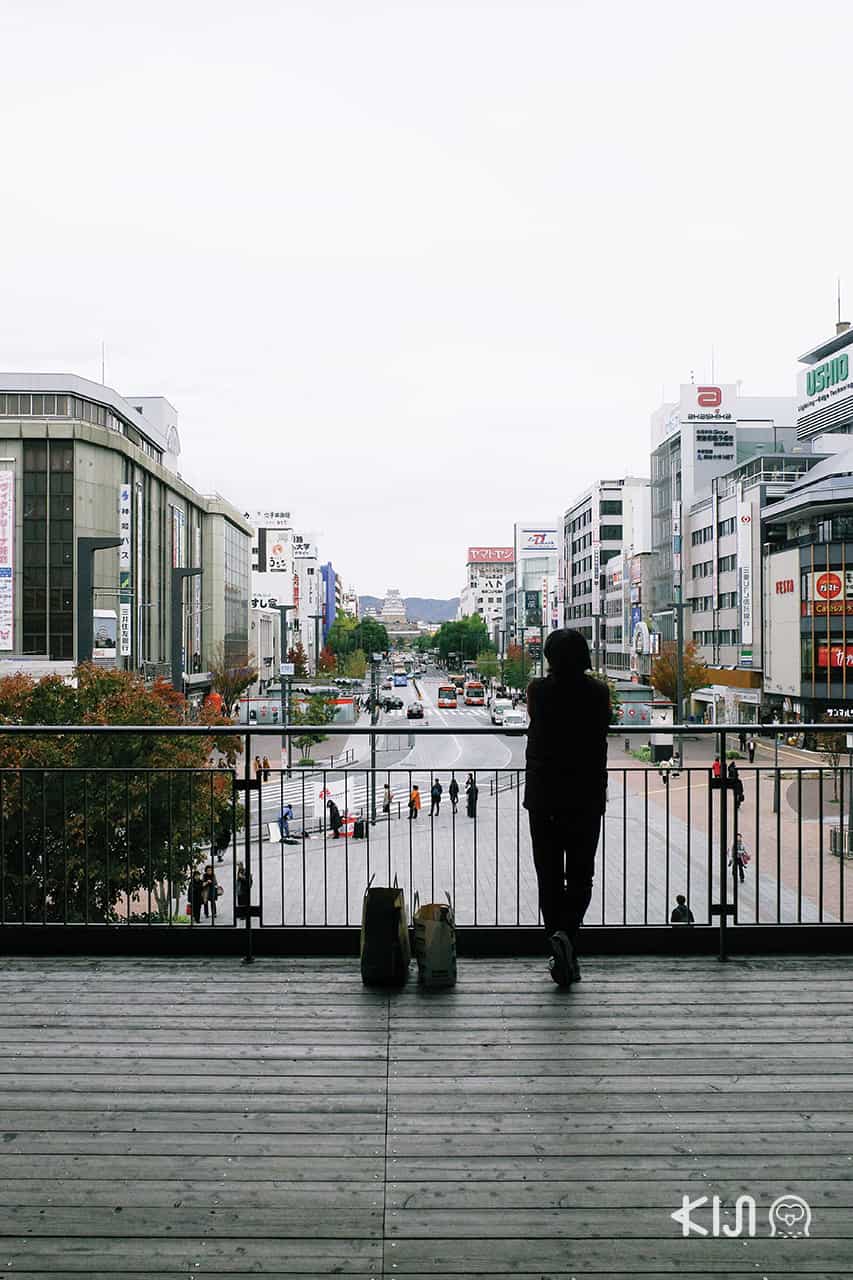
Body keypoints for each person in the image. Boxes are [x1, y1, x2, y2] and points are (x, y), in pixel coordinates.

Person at [524, 628, 610, 988]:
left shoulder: (538, 692)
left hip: (544, 792)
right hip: (585, 794)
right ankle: (567, 940)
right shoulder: (598, 692)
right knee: (580, 875)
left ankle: (558, 942)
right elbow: (604, 727)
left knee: (548, 873)